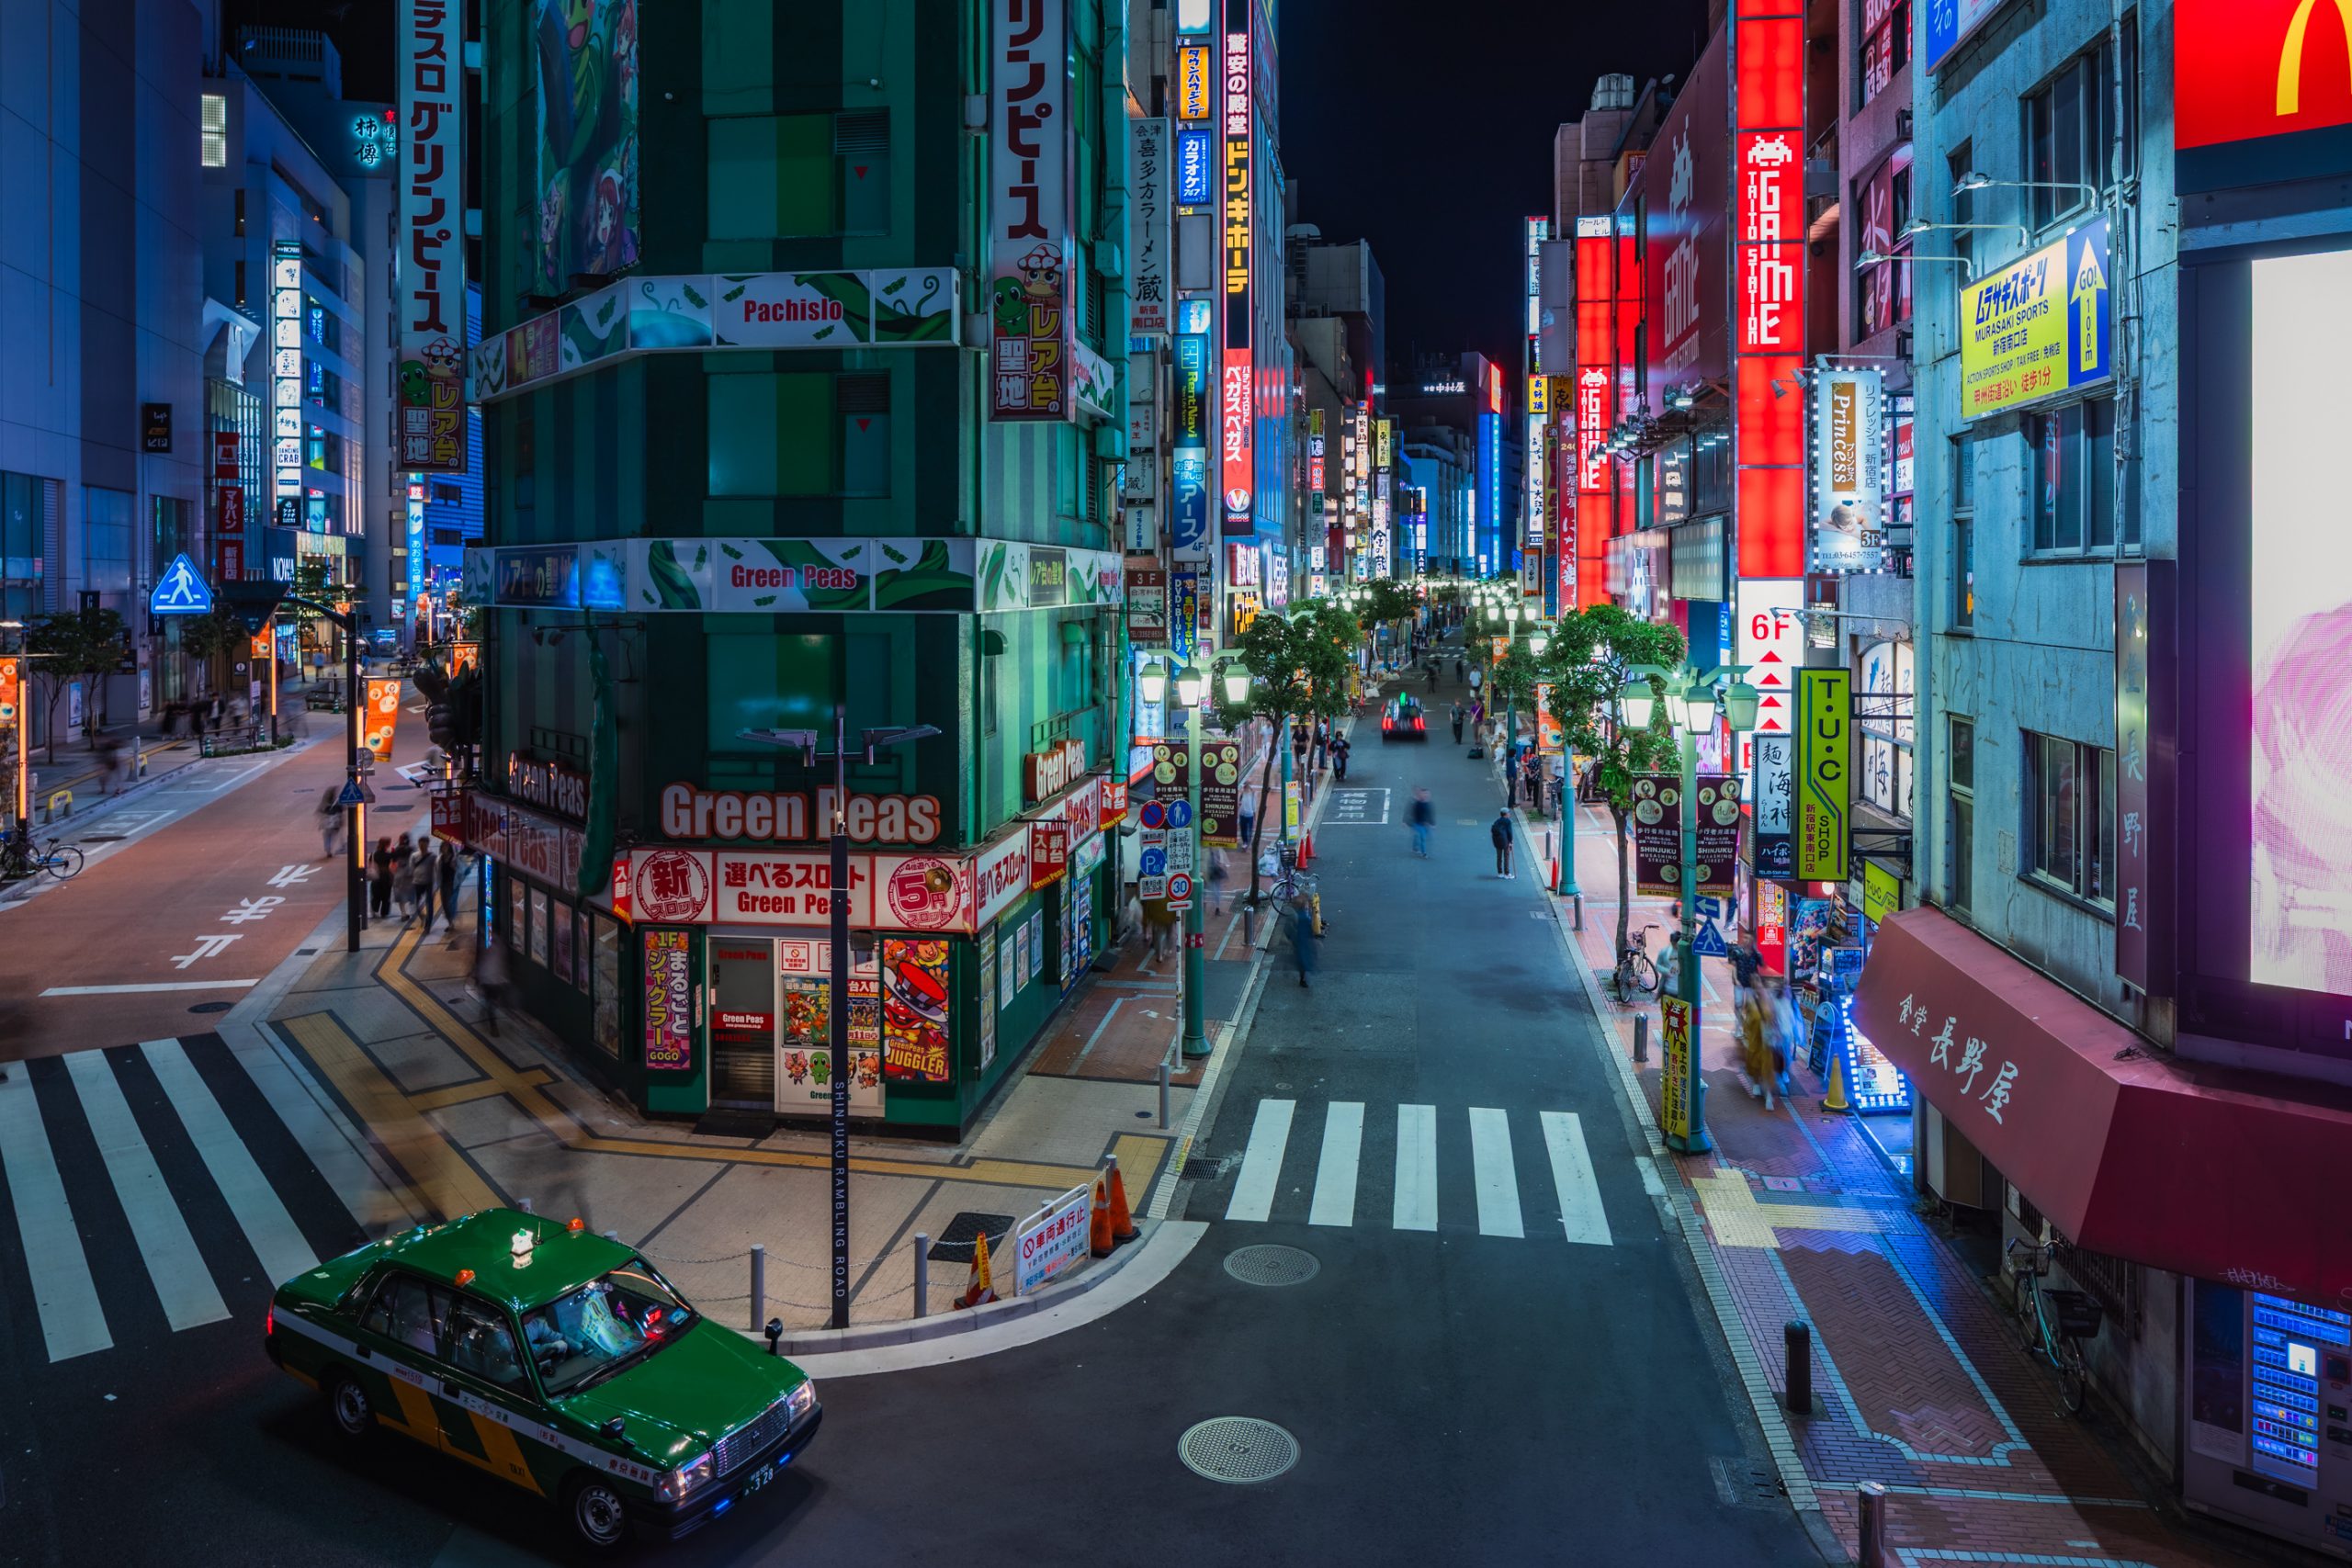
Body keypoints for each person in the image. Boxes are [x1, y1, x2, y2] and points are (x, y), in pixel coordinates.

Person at [474, 934, 512, 1037]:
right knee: (492, 1002)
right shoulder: (501, 948)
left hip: (489, 979)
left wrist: (477, 976)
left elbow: (480, 963)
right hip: (493, 980)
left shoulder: (486, 948)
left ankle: (487, 1012)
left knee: (490, 1001)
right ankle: (493, 1025)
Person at [1288, 890, 1318, 987]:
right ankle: (1303, 978)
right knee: (1305, 959)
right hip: (1303, 941)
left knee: (1301, 958)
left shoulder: (1296, 916)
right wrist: (1314, 939)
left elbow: (1289, 929)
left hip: (1298, 941)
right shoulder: (1304, 918)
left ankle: (1302, 977)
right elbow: (1309, 930)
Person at [368, 837, 395, 919]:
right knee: (386, 896)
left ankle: (374, 911)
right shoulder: (388, 855)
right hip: (386, 877)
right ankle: (384, 913)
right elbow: (392, 865)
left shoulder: (374, 854)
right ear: (387, 845)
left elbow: (370, 863)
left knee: (376, 895)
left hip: (376, 877)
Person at [436, 842, 461, 932]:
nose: (444, 849)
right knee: (445, 904)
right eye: (443, 847)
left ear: (449, 848)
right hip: (443, 884)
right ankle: (450, 922)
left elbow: (459, 870)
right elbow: (438, 872)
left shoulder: (453, 858)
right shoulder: (440, 859)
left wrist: (454, 867)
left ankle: (452, 922)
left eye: (446, 847)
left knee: (450, 903)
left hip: (452, 884)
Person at [317, 785, 344, 860]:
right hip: (335, 824)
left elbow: (321, 811)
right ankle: (330, 849)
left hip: (327, 824)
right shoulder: (337, 802)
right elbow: (342, 810)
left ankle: (328, 849)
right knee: (333, 836)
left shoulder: (325, 803)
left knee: (327, 836)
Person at [1408, 787, 1435, 857]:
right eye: (1424, 793)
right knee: (1423, 838)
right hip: (1418, 824)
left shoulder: (1428, 804)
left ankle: (1415, 848)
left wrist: (1432, 823)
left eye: (1427, 793)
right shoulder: (1417, 803)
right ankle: (1424, 853)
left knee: (1419, 837)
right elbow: (1413, 813)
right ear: (1421, 794)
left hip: (1425, 825)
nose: (1426, 795)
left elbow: (1430, 814)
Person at [1490, 808, 1514, 878]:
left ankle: (1500, 873)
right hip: (1505, 841)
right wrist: (1511, 841)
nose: (1509, 814)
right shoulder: (1508, 821)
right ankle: (1507, 873)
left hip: (1497, 841)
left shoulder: (1497, 821)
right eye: (1508, 813)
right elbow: (1509, 832)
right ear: (1506, 814)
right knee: (1506, 856)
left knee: (1499, 857)